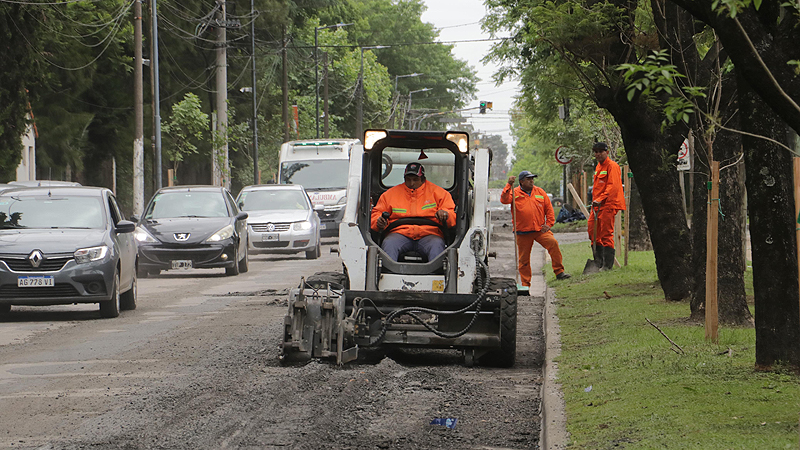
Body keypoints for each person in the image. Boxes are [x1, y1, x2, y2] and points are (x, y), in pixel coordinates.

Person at [371, 162, 456, 261]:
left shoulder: (440, 194)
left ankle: (436, 275)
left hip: (430, 235)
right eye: (408, 180)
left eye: (415, 180)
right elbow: (376, 214)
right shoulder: (389, 195)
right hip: (399, 234)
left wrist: (445, 214)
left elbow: (452, 215)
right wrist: (378, 221)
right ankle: (385, 274)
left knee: (437, 246)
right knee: (389, 244)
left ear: (423, 179)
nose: (411, 183)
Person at [501, 170, 571, 284]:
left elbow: (549, 209)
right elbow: (504, 200)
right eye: (528, 179)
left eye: (532, 179)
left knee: (553, 244)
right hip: (522, 231)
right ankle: (525, 284)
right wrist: (508, 184)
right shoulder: (514, 192)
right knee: (524, 260)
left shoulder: (540, 192)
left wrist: (548, 224)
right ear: (521, 182)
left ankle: (559, 272)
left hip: (540, 230)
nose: (531, 181)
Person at [588, 142, 626, 270]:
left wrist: (600, 199)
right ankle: (598, 261)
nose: (597, 154)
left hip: (608, 204)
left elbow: (613, 186)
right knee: (592, 231)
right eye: (595, 152)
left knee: (605, 233)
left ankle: (607, 265)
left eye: (600, 151)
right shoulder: (599, 167)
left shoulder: (612, 166)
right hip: (597, 206)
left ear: (607, 152)